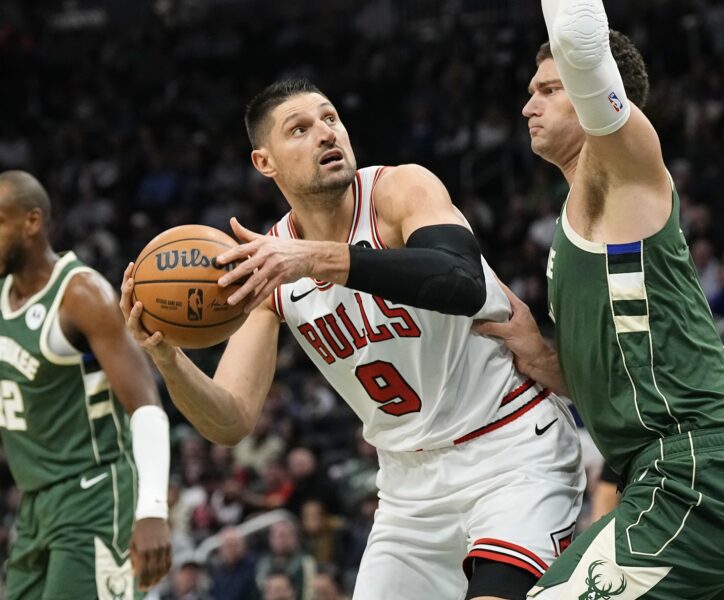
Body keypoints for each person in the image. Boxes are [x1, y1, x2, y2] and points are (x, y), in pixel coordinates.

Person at [119, 78, 584, 600]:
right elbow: (230, 419)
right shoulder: (272, 261)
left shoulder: (399, 190)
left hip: (511, 451)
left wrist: (314, 259)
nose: (325, 134)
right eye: (300, 129)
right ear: (264, 162)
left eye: (330, 119)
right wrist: (166, 354)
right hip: (407, 490)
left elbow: (461, 279)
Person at [475, 1, 724, 597]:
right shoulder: (574, 223)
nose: (528, 105)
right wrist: (540, 357)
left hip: (699, 479)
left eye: (549, 88)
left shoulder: (624, 172)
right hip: (706, 476)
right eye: (530, 91)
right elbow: (619, 384)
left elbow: (581, 42)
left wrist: (576, 45)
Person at [0, 170, 172, 598]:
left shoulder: (81, 294)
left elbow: (146, 403)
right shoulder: (3, 296)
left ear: (32, 222)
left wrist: (152, 508)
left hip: (94, 496)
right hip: (35, 504)